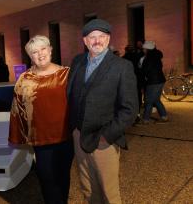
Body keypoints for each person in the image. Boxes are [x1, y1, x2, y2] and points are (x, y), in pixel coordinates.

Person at [67, 19, 138, 204]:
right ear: (85, 41)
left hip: (103, 140)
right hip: (79, 135)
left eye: (101, 36)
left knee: (109, 193)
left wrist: (106, 136)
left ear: (108, 39)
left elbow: (130, 109)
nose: (97, 41)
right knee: (88, 188)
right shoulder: (77, 62)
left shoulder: (122, 67)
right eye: (92, 37)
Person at [9, 35, 73, 204]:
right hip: (41, 140)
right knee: (47, 179)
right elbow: (17, 109)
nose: (40, 54)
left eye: (43, 49)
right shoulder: (24, 79)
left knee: (63, 177)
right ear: (30, 56)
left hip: (66, 137)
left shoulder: (67, 74)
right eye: (34, 52)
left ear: (50, 50)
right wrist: (19, 135)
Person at [140, 41, 168, 124]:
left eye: (144, 48)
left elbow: (146, 70)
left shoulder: (148, 58)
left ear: (147, 49)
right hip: (160, 80)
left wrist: (142, 73)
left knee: (149, 101)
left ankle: (146, 119)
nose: (143, 50)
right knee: (156, 100)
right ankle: (164, 116)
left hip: (153, 81)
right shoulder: (156, 56)